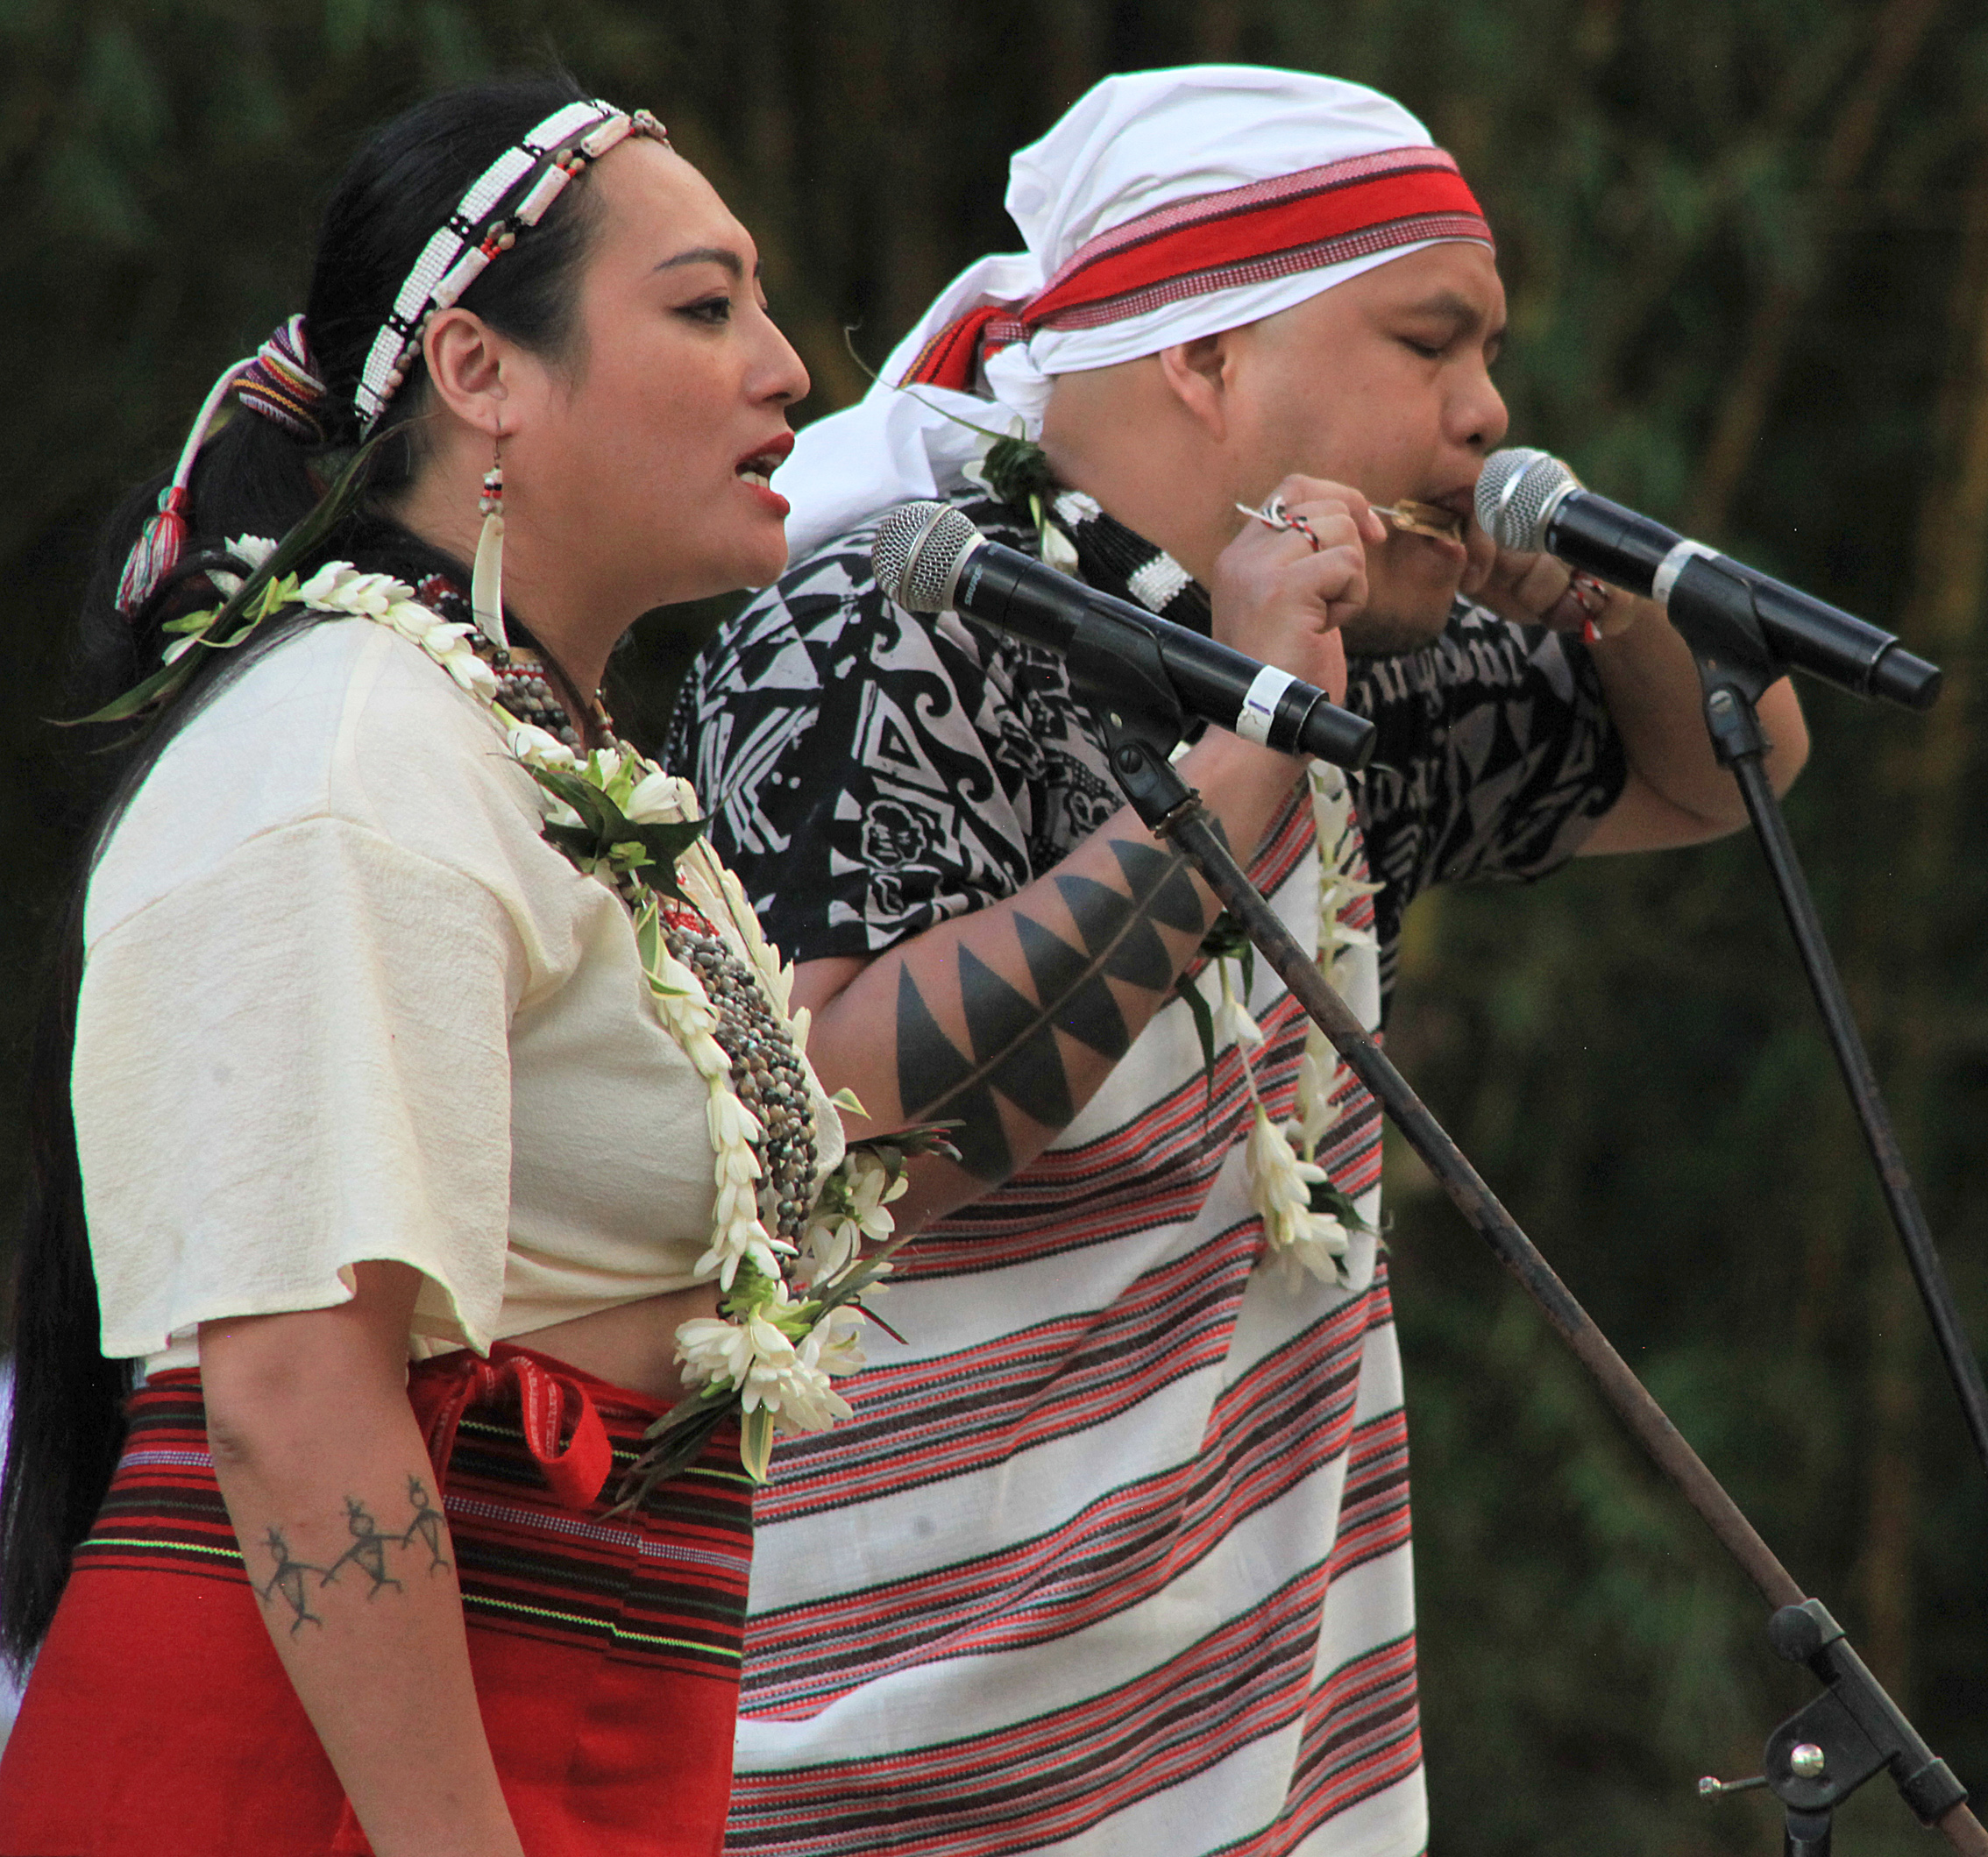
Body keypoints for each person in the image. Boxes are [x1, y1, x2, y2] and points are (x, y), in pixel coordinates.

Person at [664, 65, 1808, 1857]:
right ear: (1205, 356)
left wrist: (1594, 581)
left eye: (1491, 357)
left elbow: (1721, 764)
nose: (1488, 411)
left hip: (1269, 1777)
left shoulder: (1367, 659)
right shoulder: (877, 631)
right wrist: (1253, 740)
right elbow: (842, 1133)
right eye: (1432, 345)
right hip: (902, 1773)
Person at [0, 73, 874, 1857]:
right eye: (706, 307)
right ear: (479, 370)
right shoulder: (348, 753)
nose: (788, 369)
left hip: (550, 1749)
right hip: (322, 1785)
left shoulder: (522, 756)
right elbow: (290, 1387)